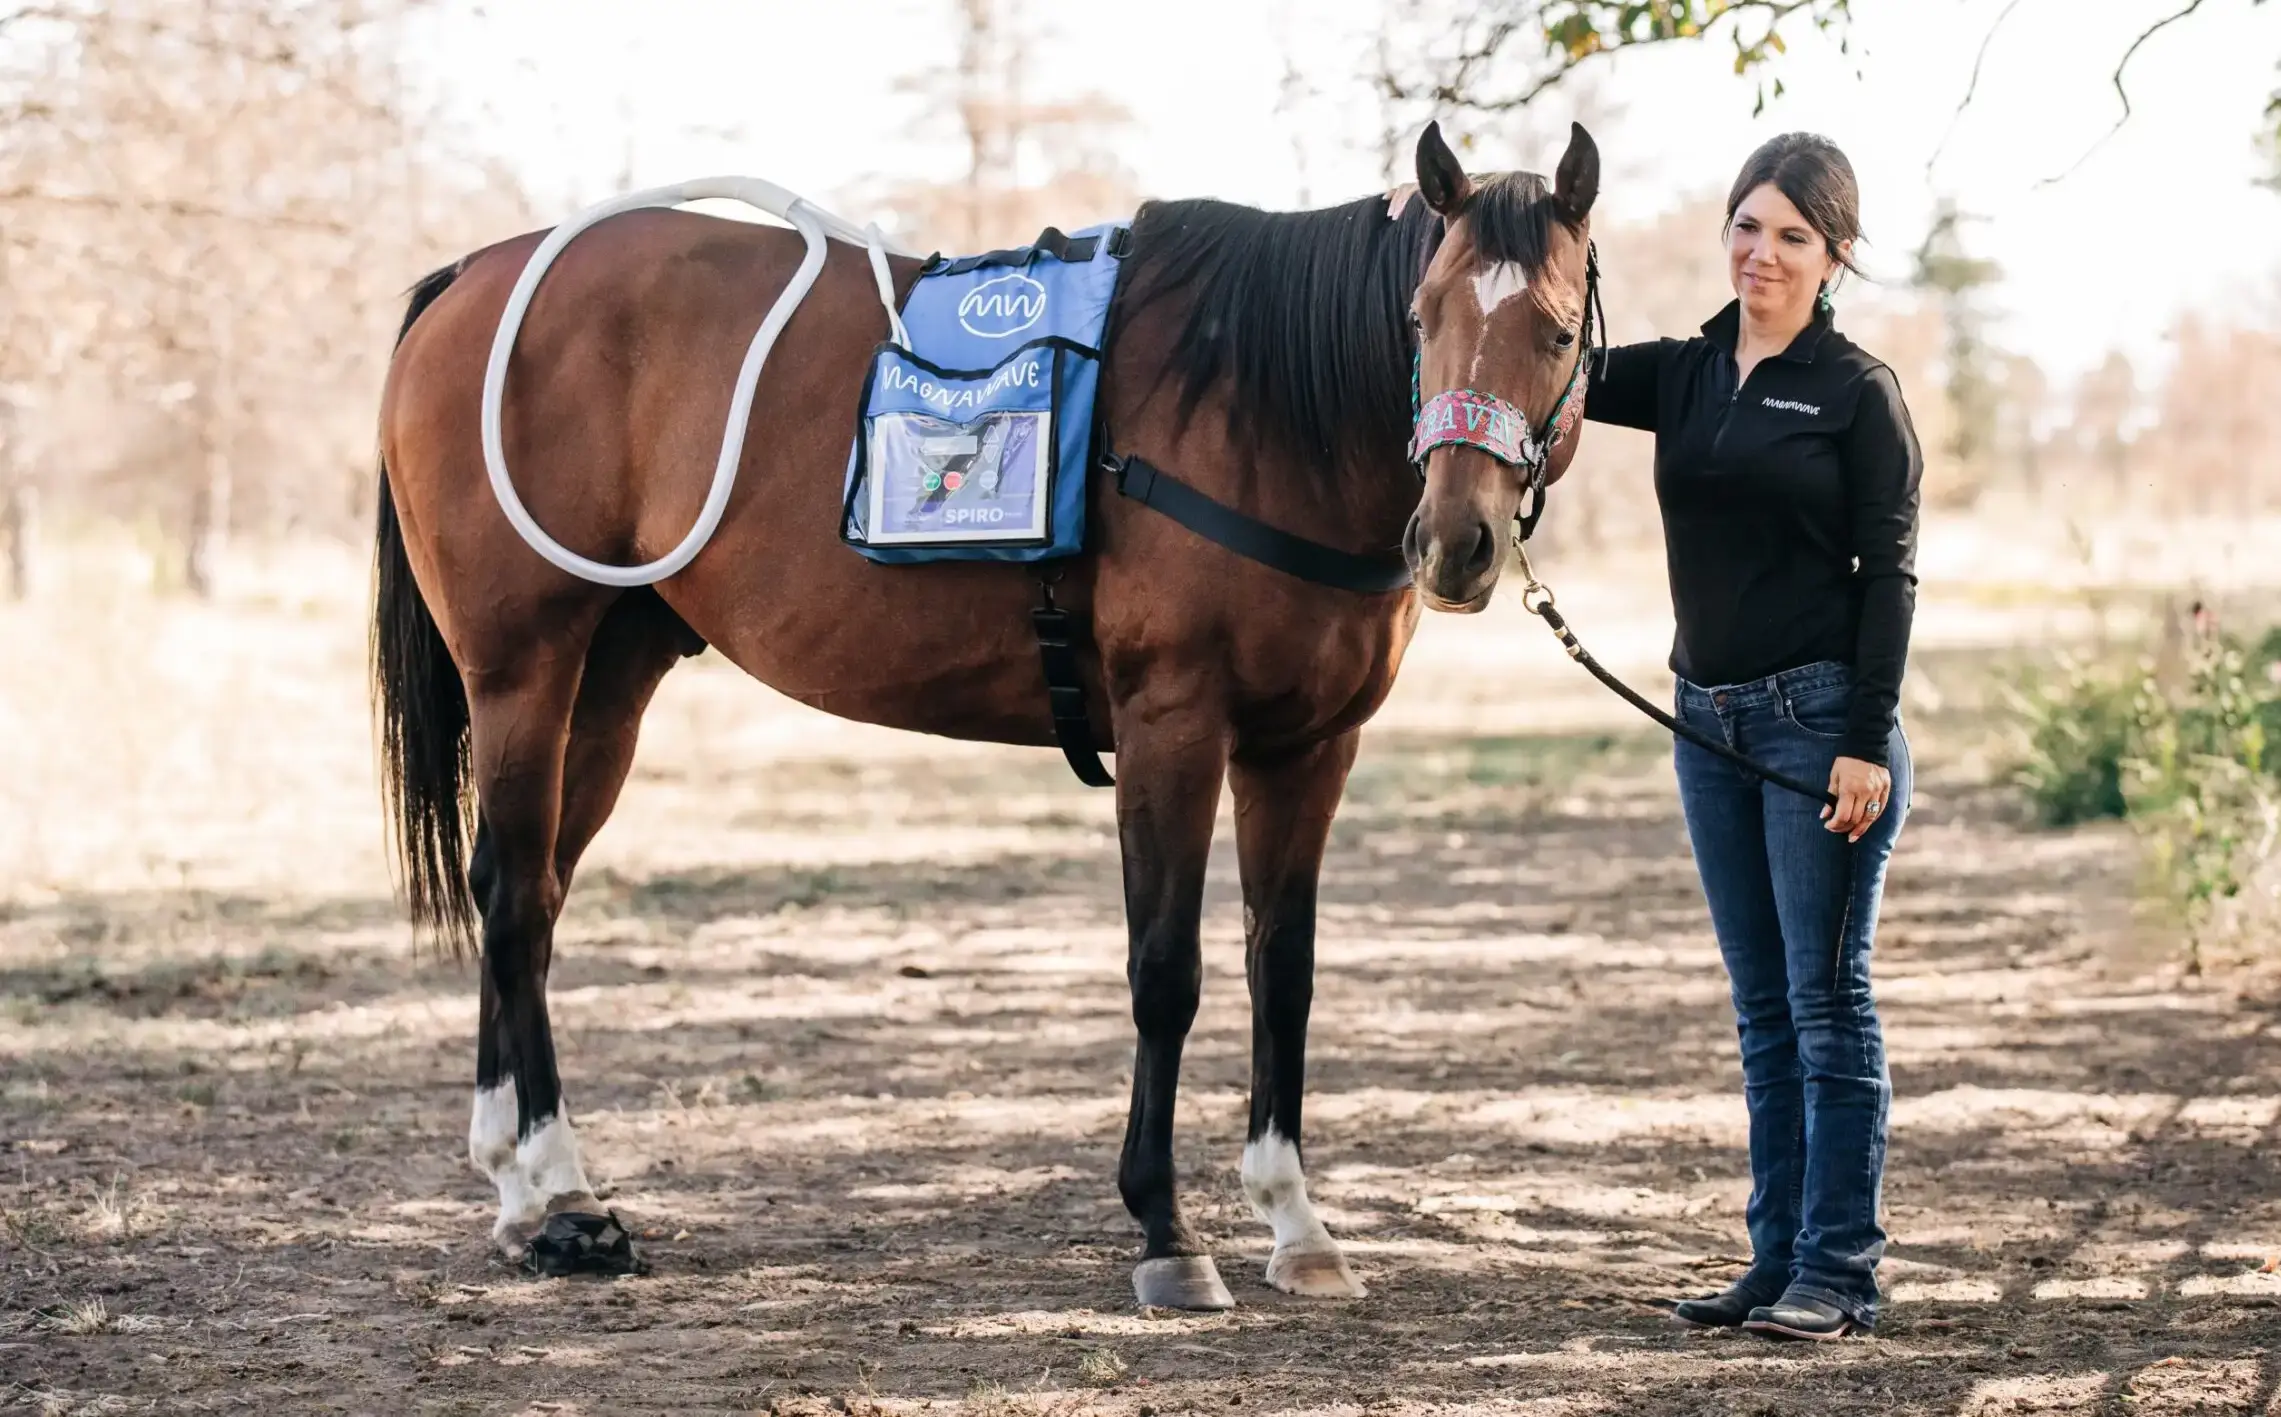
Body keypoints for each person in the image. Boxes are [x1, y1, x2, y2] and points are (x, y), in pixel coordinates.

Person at [1583, 132, 1922, 1340]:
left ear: (1832, 257)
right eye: (1746, 226)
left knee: (1828, 1000)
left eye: (1791, 236)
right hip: (1706, 720)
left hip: (1821, 722)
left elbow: (1888, 576)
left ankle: (1837, 1269)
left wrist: (1864, 742)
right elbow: (1543, 365)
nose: (1761, 253)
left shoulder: (1853, 392)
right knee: (1761, 1006)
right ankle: (1773, 1260)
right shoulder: (1682, 374)